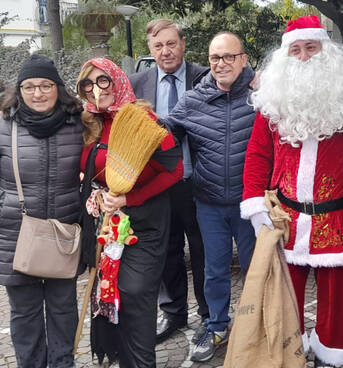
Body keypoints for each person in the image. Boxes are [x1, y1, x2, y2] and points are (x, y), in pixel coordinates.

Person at [242, 15, 343, 368]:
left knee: (339, 302)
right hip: (287, 218)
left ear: (326, 50)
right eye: (295, 49)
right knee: (283, 297)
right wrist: (255, 205)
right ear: (284, 56)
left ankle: (334, 357)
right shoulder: (271, 99)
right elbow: (257, 155)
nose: (304, 56)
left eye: (311, 47)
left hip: (337, 216)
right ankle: (287, 353)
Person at [77, 57, 183, 367]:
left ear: (118, 80)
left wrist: (129, 199)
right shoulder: (88, 122)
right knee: (109, 295)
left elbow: (174, 170)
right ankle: (120, 359)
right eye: (88, 84)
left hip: (145, 224)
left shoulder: (144, 120)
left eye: (103, 81)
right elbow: (85, 172)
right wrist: (95, 195)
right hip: (105, 228)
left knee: (135, 293)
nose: (96, 89)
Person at [163, 32, 256, 362]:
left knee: (256, 270)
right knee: (214, 269)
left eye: (229, 57)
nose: (221, 64)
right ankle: (217, 325)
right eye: (215, 58)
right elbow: (161, 135)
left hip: (252, 205)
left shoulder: (262, 95)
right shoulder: (192, 100)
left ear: (243, 59)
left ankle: (257, 329)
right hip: (210, 202)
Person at [128, 18, 210, 343]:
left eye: (171, 43)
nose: (166, 51)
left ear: (183, 43)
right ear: (150, 49)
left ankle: (209, 315)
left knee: (204, 252)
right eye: (158, 46)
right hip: (160, 186)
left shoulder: (204, 77)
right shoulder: (137, 84)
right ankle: (174, 313)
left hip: (200, 182)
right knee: (168, 252)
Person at [0, 54, 83, 368]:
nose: (37, 93)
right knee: (25, 312)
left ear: (57, 87)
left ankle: (63, 362)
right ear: (19, 90)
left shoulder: (77, 122)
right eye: (29, 86)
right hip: (14, 233)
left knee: (63, 308)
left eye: (45, 85)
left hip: (63, 232)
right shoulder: (4, 123)